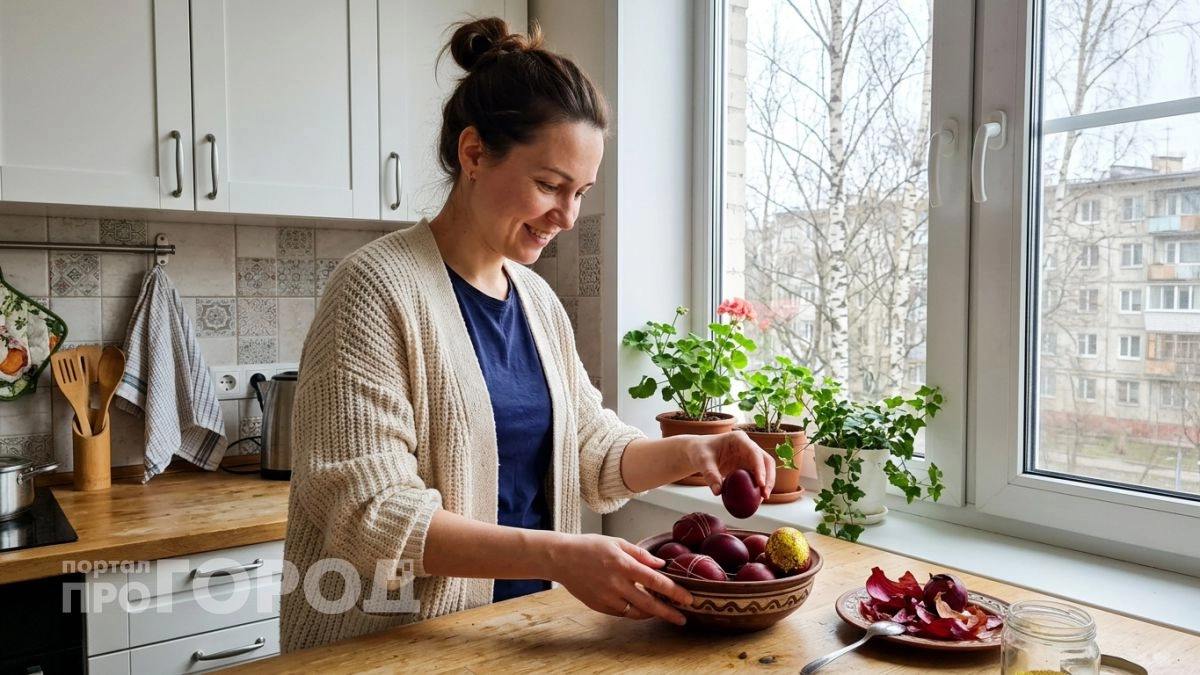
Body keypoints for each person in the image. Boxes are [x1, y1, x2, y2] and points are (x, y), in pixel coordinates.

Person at [280, 17, 776, 653]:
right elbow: (369, 515)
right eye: (549, 185)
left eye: (581, 193)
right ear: (474, 154)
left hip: (520, 638)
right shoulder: (375, 289)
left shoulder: (537, 301)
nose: (567, 217)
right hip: (389, 648)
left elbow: (589, 451)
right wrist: (565, 557)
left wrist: (693, 453)